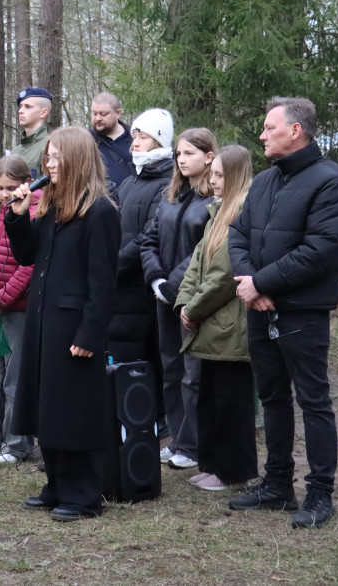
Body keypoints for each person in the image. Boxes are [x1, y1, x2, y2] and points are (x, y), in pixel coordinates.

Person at [227, 97, 338, 529]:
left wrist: (262, 283)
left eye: (269, 128)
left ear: (296, 131)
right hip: (260, 309)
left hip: (303, 312)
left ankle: (320, 494)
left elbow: (321, 251)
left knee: (313, 401)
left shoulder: (332, 183)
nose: (262, 135)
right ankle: (277, 484)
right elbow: (238, 234)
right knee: (272, 398)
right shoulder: (265, 181)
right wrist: (250, 283)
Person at [5, 126, 121, 522]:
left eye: (56, 157)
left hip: (73, 326)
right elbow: (27, 256)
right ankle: (56, 484)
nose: (48, 164)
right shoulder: (53, 207)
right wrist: (17, 218)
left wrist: (90, 332)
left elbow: (103, 281)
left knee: (75, 411)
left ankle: (84, 494)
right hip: (44, 321)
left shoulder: (100, 212)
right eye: (47, 157)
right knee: (47, 406)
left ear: (76, 160)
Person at [175, 145, 257, 492]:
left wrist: (194, 309)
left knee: (231, 403)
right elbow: (196, 263)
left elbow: (223, 275)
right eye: (213, 173)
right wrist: (183, 302)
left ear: (236, 175)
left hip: (229, 327)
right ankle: (212, 465)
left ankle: (233, 471)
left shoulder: (240, 215)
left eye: (220, 175)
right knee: (209, 399)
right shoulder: (217, 212)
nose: (213, 180)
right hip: (210, 325)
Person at [141, 127, 217, 470]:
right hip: (163, 296)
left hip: (193, 298)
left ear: (209, 156)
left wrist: (173, 285)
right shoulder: (169, 195)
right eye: (178, 154)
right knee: (170, 368)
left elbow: (204, 249)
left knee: (193, 372)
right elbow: (149, 239)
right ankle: (177, 438)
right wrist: (156, 278)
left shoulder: (213, 200)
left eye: (189, 153)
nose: (181, 160)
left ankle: (194, 442)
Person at [109, 108, 174, 434]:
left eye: (143, 136)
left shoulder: (166, 184)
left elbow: (150, 234)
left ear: (159, 140)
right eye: (133, 135)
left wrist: (115, 263)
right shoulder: (133, 181)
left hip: (139, 286)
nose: (134, 142)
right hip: (119, 287)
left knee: (143, 355)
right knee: (124, 354)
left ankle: (153, 420)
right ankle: (132, 419)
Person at [0, 154, 37, 464]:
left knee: (14, 379)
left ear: (26, 184)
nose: (4, 194)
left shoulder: (33, 214)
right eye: (0, 187)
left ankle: (17, 443)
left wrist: (1, 300)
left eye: (10, 187)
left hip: (18, 310)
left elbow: (27, 267)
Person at [90, 91, 133, 191]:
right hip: (100, 203)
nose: (98, 118)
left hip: (131, 202)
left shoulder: (136, 138)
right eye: (94, 114)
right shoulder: (86, 141)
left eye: (103, 114)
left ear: (118, 113)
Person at [10, 87, 53, 174]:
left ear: (44, 112)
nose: (20, 111)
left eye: (28, 107)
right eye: (20, 107)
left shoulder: (50, 147)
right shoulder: (15, 151)